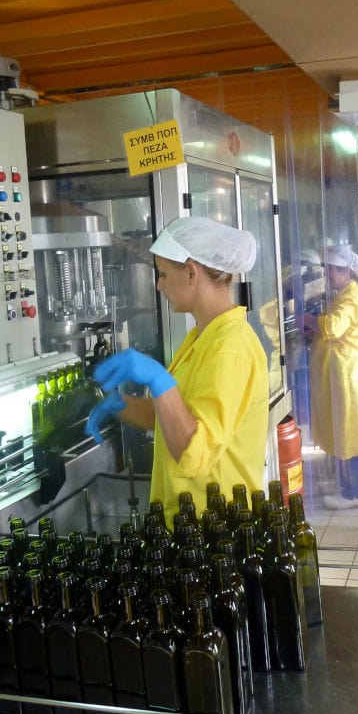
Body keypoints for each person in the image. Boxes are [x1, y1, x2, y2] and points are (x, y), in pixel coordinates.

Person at [85, 216, 269, 523]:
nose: (158, 285)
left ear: (191, 273)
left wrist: (158, 377)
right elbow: (173, 418)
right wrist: (118, 405)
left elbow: (193, 451)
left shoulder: (230, 347)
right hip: (187, 523)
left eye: (163, 274)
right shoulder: (202, 337)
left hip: (215, 527)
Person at [302, 245, 358, 510]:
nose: (327, 273)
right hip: (341, 374)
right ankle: (346, 485)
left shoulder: (351, 298)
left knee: (351, 432)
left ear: (346, 272)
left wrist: (308, 321)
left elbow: (333, 326)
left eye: (331, 269)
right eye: (327, 269)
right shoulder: (343, 294)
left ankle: (355, 493)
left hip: (350, 375)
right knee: (340, 429)